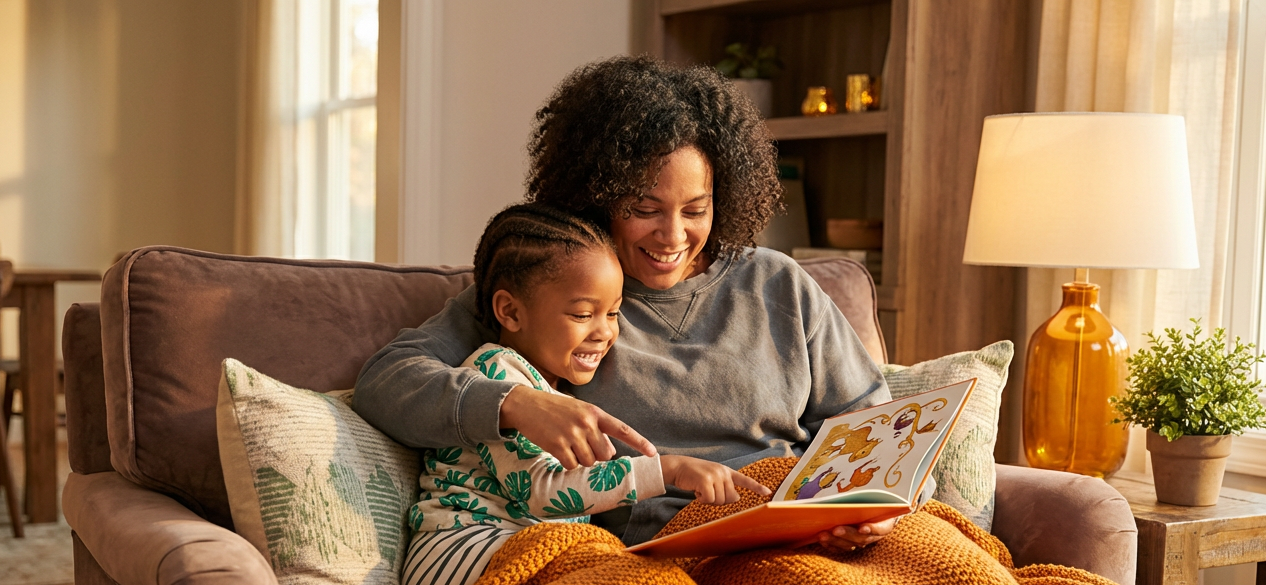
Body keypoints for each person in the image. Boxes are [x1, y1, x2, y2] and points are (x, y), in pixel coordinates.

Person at [356, 56, 907, 550]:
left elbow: (876, 423)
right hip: (676, 548)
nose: (673, 236)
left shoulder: (778, 283)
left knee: (944, 568)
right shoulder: (553, 289)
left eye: (696, 210)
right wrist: (516, 405)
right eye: (645, 209)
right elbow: (387, 381)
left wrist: (872, 508)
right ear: (597, 193)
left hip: (798, 520)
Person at [402, 203, 768, 585]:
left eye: (612, 314)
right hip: (461, 550)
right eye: (581, 315)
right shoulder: (495, 372)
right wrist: (667, 470)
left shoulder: (555, 388)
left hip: (523, 552)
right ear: (510, 312)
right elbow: (543, 491)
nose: (604, 333)